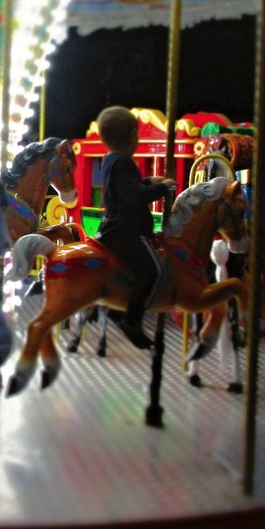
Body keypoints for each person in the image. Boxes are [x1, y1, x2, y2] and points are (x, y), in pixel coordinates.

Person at [94, 106, 176, 348]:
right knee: (154, 271)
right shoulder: (122, 162)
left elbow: (127, 189)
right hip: (127, 231)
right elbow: (135, 197)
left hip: (115, 228)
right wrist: (163, 188)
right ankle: (132, 320)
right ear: (132, 134)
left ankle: (120, 311)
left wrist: (149, 181)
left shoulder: (111, 160)